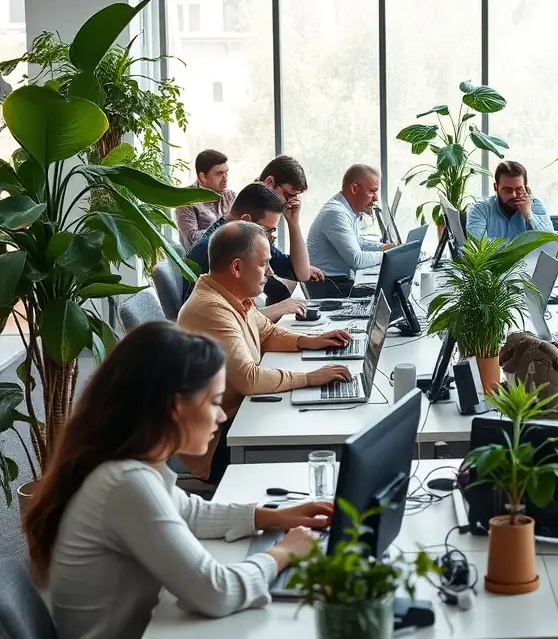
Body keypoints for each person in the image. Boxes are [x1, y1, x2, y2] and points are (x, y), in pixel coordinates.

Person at [24, 321, 328, 639]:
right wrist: (282, 553)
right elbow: (216, 592)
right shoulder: (125, 483)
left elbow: (189, 512)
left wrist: (271, 516)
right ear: (175, 406)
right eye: (213, 402)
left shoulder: (124, 462)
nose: (221, 415)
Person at [177, 221, 354, 483]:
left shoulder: (233, 296)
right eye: (264, 264)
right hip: (217, 441)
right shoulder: (210, 309)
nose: (270, 272)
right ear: (237, 267)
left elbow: (267, 333)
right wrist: (308, 378)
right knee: (316, 440)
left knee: (316, 421)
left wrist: (312, 341)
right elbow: (249, 379)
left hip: (239, 414)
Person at [183, 183, 309, 322]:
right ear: (246, 221)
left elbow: (301, 273)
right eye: (268, 230)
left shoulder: (247, 238)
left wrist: (293, 222)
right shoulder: (213, 250)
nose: (269, 272)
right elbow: (230, 320)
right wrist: (282, 308)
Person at [307, 163, 395, 298]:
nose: (376, 198)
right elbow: (357, 259)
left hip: (339, 284)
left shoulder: (348, 210)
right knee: (390, 294)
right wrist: (390, 254)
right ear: (354, 189)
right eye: (372, 191)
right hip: (330, 288)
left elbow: (358, 243)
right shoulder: (336, 213)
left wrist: (382, 247)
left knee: (388, 290)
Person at [254, 155, 325, 300]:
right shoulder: (249, 222)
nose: (289, 202)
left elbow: (302, 273)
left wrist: (293, 222)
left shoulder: (263, 218)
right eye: (287, 195)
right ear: (269, 182)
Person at [466, 161, 554, 240]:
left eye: (519, 189)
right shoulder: (480, 209)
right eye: (508, 190)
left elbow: (551, 242)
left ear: (526, 188)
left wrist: (529, 216)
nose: (514, 195)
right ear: (496, 187)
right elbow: (477, 246)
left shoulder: (535, 205)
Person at [175, 149, 236, 251]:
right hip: (201, 261)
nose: (225, 178)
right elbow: (192, 239)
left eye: (226, 173)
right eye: (219, 174)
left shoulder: (229, 195)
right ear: (202, 177)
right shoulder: (186, 201)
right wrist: (226, 225)